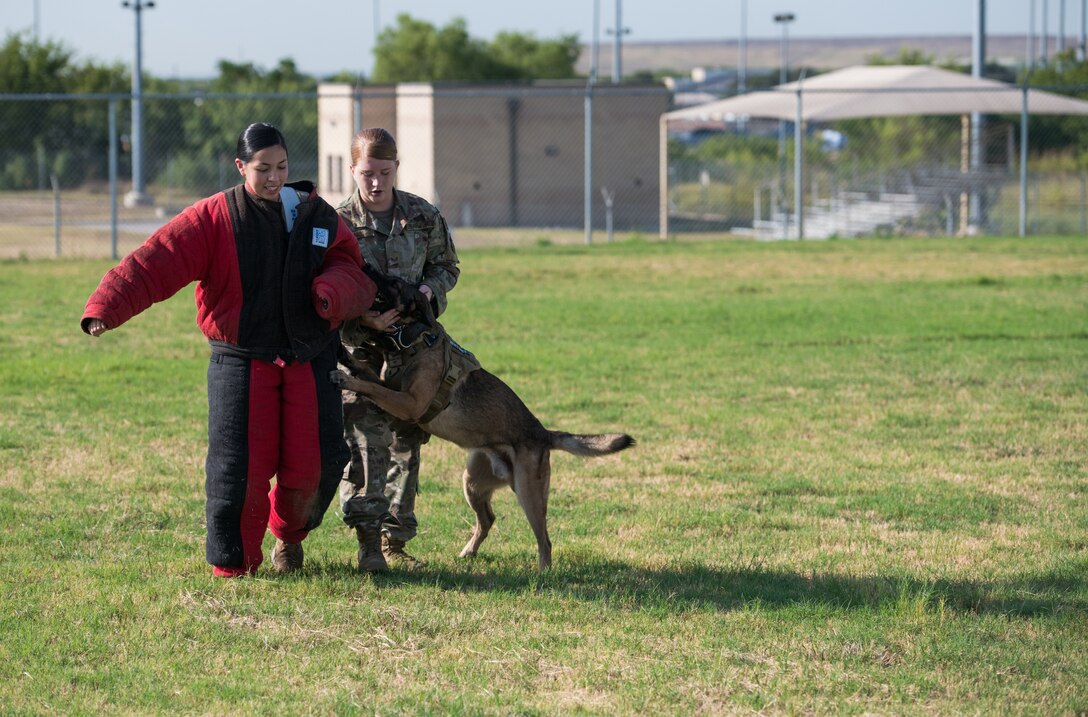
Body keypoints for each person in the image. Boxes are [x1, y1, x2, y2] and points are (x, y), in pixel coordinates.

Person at [81, 122, 376, 578]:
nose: (274, 177)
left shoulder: (316, 215)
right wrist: (108, 306)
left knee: (314, 469)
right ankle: (235, 566)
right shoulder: (214, 217)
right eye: (263, 169)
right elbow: (157, 259)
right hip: (241, 361)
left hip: (309, 356)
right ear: (241, 167)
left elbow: (347, 261)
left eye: (281, 167)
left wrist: (334, 289)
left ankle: (287, 537)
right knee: (238, 475)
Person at [336, 127, 460, 572]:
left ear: (396, 169)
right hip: (361, 353)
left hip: (413, 353)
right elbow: (323, 289)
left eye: (384, 173)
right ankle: (368, 544)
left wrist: (427, 293)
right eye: (367, 173)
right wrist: (361, 317)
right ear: (353, 170)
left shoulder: (422, 217)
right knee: (368, 443)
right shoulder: (338, 225)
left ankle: (395, 541)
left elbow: (447, 266)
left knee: (409, 441)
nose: (375, 183)